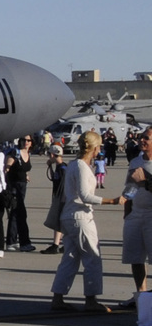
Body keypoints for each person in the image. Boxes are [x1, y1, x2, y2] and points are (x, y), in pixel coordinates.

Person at [49, 131, 124, 312]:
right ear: (95, 148)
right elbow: (85, 195)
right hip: (80, 217)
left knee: (70, 258)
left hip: (68, 217)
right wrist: (111, 201)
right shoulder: (82, 166)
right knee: (92, 258)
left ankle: (58, 297)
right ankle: (91, 300)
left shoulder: (74, 164)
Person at [119, 128, 152, 313]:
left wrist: (145, 180)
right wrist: (127, 212)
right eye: (141, 137)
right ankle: (141, 294)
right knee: (135, 256)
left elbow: (141, 181)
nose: (142, 140)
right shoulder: (136, 161)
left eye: (146, 138)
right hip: (136, 214)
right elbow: (130, 187)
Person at [4, 136, 35, 251]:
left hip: (22, 186)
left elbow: (23, 168)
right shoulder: (15, 153)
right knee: (19, 213)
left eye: (28, 140)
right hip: (14, 186)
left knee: (16, 213)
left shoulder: (28, 154)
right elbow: (7, 169)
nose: (26, 142)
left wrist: (25, 175)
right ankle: (23, 242)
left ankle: (12, 241)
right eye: (24, 140)